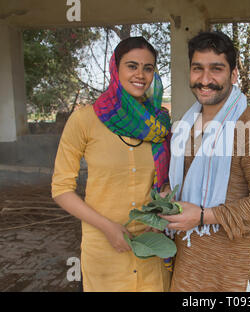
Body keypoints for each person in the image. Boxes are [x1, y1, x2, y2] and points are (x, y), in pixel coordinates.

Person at [160, 31, 250, 291]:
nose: (205, 80)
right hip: (187, 269)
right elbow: (184, 182)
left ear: (233, 74)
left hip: (234, 275)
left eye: (216, 69)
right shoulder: (184, 125)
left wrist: (205, 216)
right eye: (198, 69)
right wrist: (169, 196)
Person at [51, 36, 172, 292]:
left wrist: (162, 206)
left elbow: (168, 181)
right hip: (104, 248)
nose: (140, 74)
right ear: (115, 69)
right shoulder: (85, 120)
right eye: (132, 66)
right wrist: (108, 228)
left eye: (148, 68)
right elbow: (61, 189)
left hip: (151, 244)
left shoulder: (159, 123)